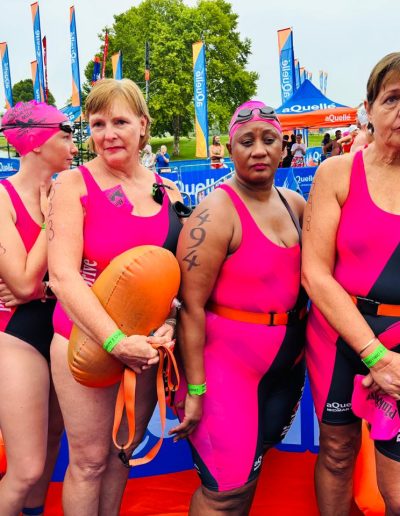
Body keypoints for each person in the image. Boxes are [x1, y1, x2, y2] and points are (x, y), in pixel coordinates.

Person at [47, 78, 184, 516]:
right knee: (89, 462)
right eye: (98, 124)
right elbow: (62, 277)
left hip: (145, 348)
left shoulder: (168, 191)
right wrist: (115, 342)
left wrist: (171, 323)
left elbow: (177, 278)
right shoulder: (73, 184)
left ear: (143, 125)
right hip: (85, 340)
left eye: (120, 122)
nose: (108, 134)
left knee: (122, 451)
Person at [171, 100, 307, 515]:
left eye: (269, 140)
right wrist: (196, 390)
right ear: (230, 149)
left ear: (284, 147)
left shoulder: (294, 204)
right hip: (226, 372)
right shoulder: (215, 213)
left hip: (284, 369)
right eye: (246, 142)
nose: (259, 150)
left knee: (247, 478)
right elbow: (189, 308)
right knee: (224, 492)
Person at [302, 52, 400, 515]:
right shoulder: (337, 173)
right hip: (338, 336)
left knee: (397, 491)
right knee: (338, 453)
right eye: (392, 98)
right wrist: (375, 354)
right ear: (369, 108)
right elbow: (315, 273)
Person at [0, 100, 78, 516]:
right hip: (16, 334)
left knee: (50, 446)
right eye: (65, 136)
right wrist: (51, 217)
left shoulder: (71, 190)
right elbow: (23, 283)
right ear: (34, 143)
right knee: (26, 469)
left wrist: (44, 287)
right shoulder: (4, 197)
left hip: (62, 328)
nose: (74, 145)